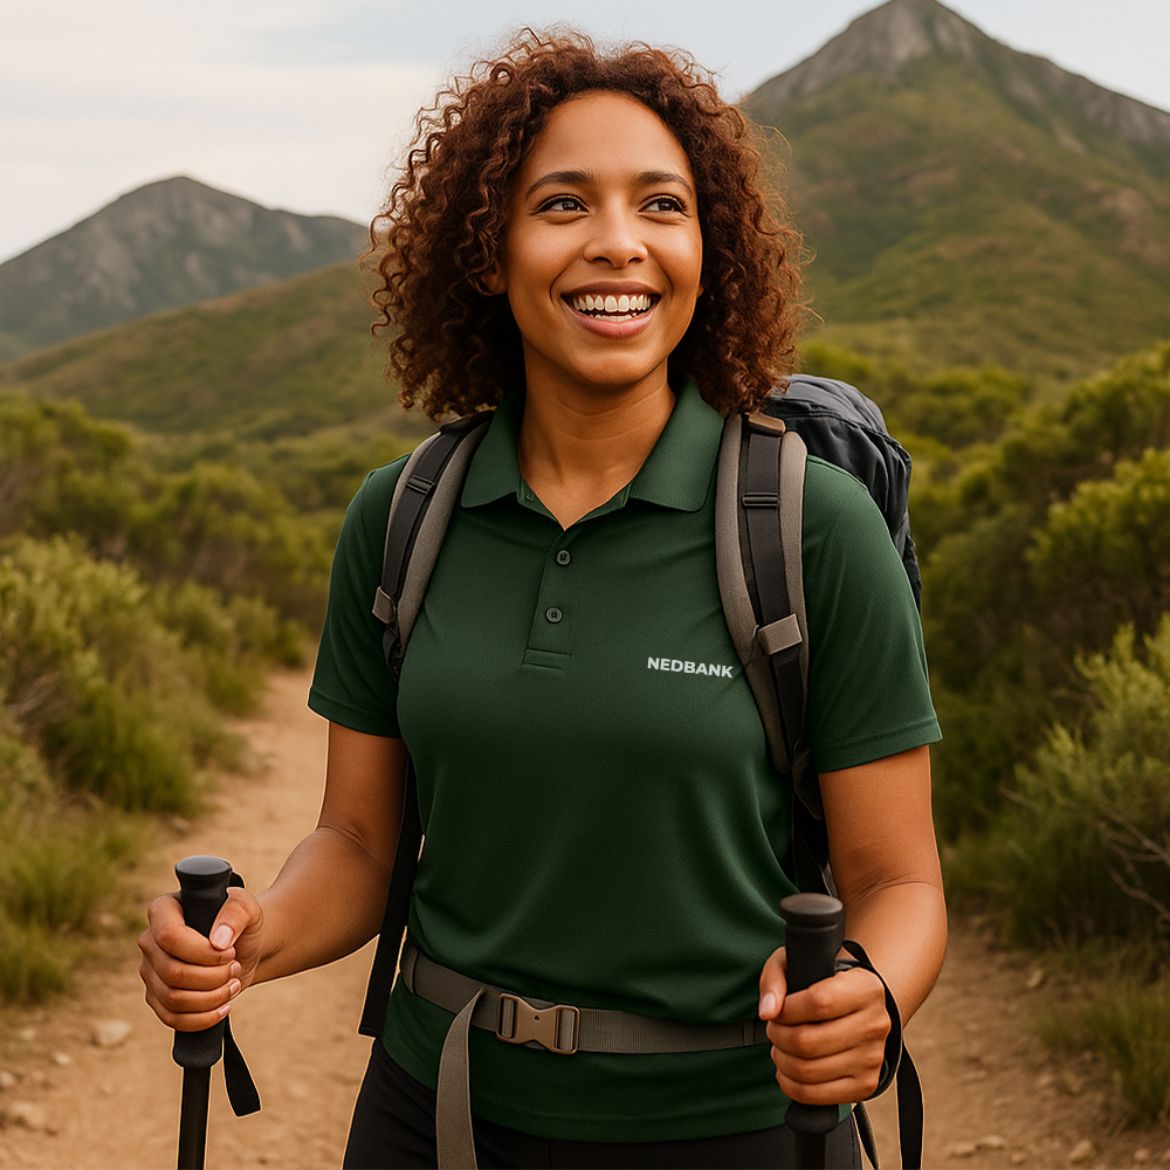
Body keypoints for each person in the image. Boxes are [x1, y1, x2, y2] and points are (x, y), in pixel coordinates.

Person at [139, 28, 947, 1170]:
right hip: (437, 1113)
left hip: (734, 1128)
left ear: (707, 250)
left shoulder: (810, 528)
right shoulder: (404, 514)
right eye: (564, 205)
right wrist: (249, 938)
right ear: (489, 251)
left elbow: (899, 880)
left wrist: (869, 989)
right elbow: (360, 840)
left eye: (661, 206)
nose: (619, 244)